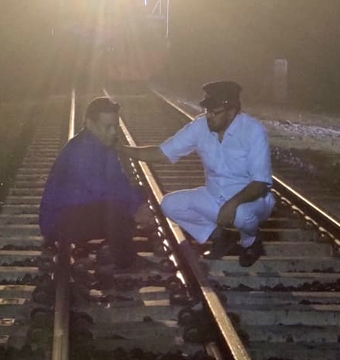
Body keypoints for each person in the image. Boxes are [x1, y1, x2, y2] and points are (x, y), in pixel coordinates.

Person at [117, 81, 275, 267]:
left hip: (252, 201)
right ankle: (220, 237)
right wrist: (122, 148)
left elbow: (260, 183)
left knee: (241, 214)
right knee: (170, 204)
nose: (209, 116)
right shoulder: (200, 127)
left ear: (231, 112)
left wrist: (232, 204)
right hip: (215, 197)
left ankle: (251, 243)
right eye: (207, 111)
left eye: (215, 112)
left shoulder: (253, 131)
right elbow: (162, 153)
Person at [39, 97, 153, 271]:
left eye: (116, 126)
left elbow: (119, 180)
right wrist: (134, 209)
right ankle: (126, 262)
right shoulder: (81, 149)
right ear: (90, 124)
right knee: (116, 207)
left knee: (137, 192)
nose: (113, 132)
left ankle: (110, 247)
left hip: (79, 211)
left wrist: (138, 203)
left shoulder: (103, 145)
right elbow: (100, 189)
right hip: (60, 221)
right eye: (108, 127)